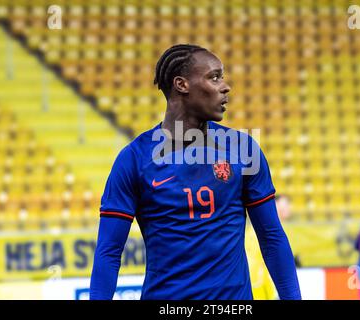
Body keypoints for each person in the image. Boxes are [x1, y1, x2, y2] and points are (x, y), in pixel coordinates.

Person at [90, 44, 301, 300]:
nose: (225, 86)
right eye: (214, 77)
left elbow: (271, 237)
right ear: (182, 85)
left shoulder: (242, 149)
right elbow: (109, 252)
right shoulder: (134, 160)